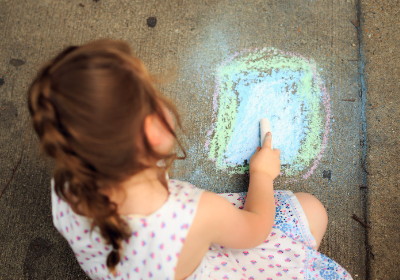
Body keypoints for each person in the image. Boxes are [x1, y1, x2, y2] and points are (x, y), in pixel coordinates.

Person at [27, 38, 353, 280]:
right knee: (311, 210)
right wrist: (262, 175)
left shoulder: (67, 183)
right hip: (203, 261)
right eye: (153, 93)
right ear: (154, 131)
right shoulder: (192, 212)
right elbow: (255, 231)